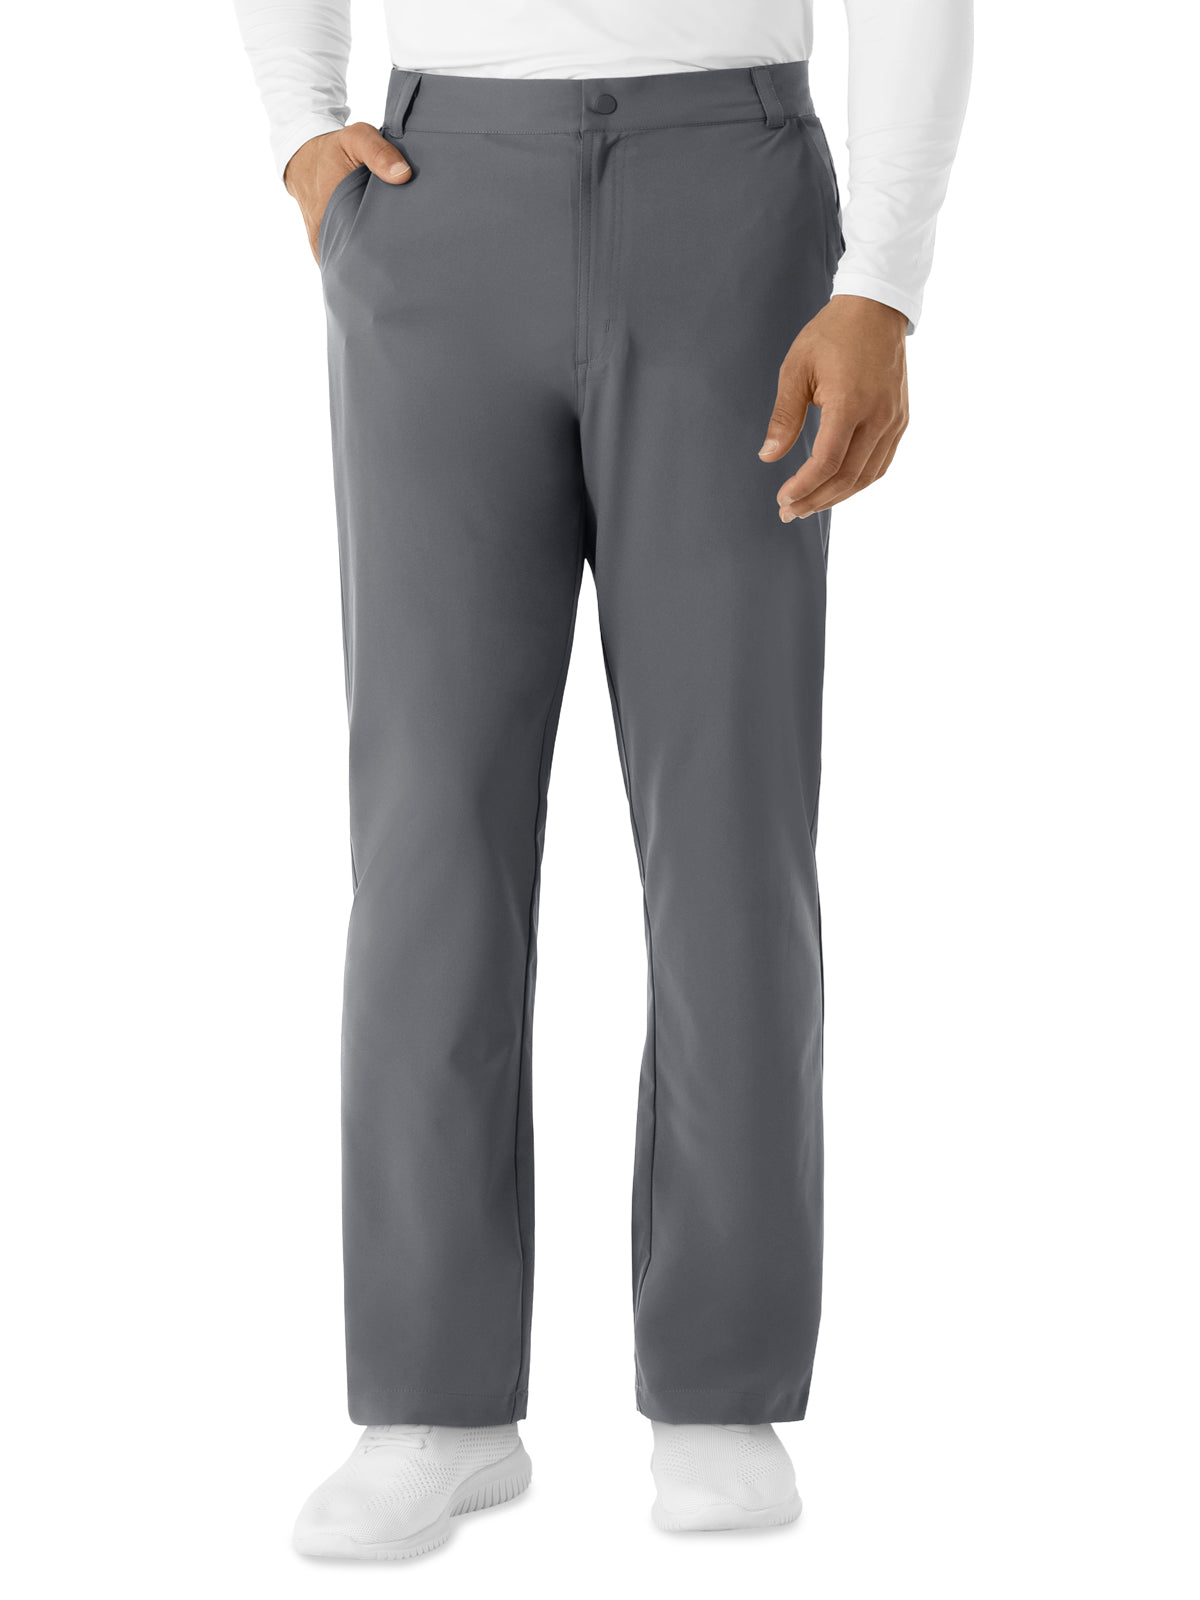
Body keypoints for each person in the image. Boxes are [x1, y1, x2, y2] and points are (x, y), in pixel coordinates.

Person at [234, 0, 972, 1560]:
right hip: (437, 190)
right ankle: (431, 1405)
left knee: (730, 827)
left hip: (734, 191)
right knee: (427, 832)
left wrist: (883, 280)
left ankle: (721, 1392)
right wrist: (301, 124)